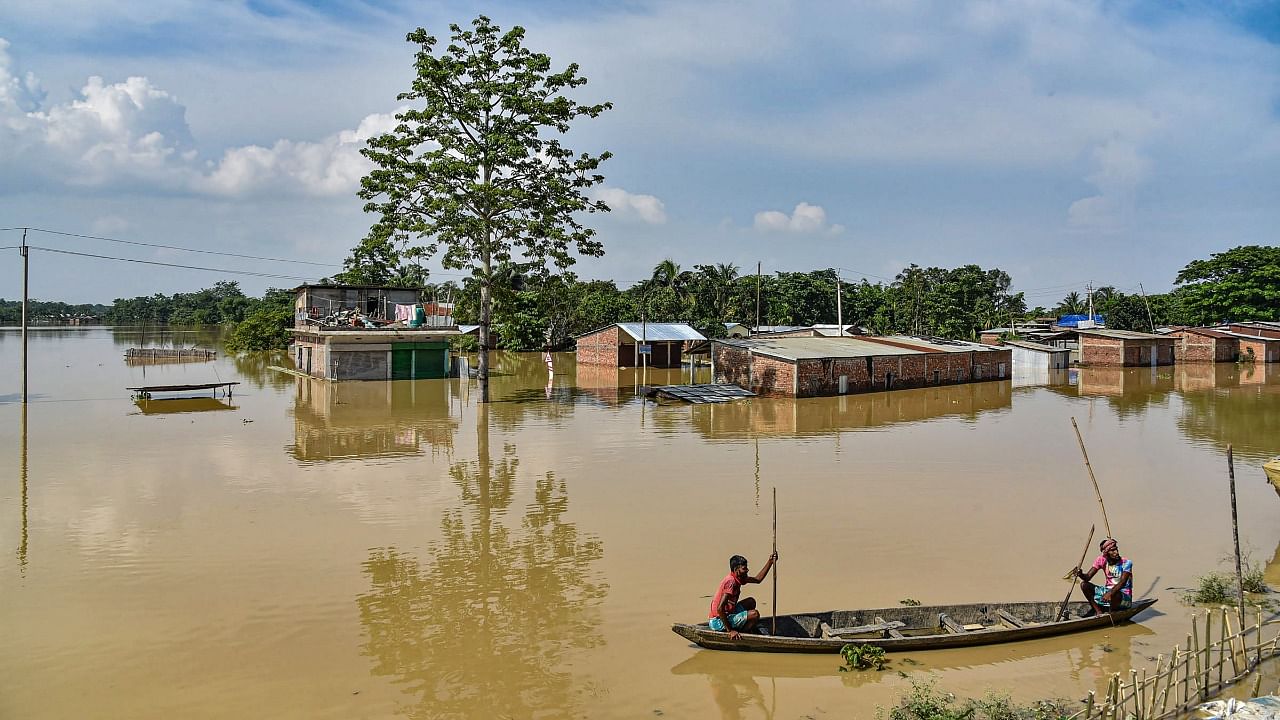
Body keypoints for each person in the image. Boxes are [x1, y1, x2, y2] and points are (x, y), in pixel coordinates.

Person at [709, 551, 778, 640]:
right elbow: (720, 608)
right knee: (755, 614)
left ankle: (743, 626)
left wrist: (770, 562)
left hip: (729, 612)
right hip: (718, 620)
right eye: (744, 569)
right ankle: (743, 633)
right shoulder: (731, 582)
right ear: (736, 570)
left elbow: (758, 579)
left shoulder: (739, 578)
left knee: (750, 601)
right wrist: (730, 631)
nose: (747, 570)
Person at [1075, 537, 1133, 616]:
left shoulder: (1126, 563)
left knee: (1115, 593)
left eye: (1116, 549)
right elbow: (1088, 577)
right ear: (1106, 553)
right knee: (1084, 585)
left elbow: (1122, 582)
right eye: (1112, 550)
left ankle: (1111, 612)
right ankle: (1098, 611)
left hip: (1123, 597)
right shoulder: (1102, 560)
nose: (1116, 552)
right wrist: (1080, 574)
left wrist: (1110, 593)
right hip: (1107, 593)